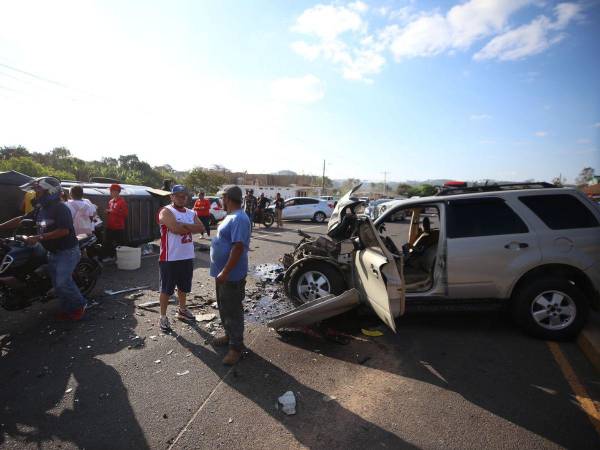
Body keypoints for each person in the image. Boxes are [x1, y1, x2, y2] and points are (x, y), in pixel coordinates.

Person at [0, 177, 87, 320]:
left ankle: (79, 305)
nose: (35, 194)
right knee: (55, 283)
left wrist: (38, 238)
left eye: (38, 190)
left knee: (62, 282)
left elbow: (64, 231)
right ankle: (67, 308)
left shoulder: (61, 208)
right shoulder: (40, 209)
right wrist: (1, 226)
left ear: (50, 191)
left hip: (67, 252)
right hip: (51, 251)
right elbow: (21, 219)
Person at [210, 185, 251, 366]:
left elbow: (238, 247)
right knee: (224, 307)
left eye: (223, 197)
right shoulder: (231, 216)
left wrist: (226, 271)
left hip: (231, 275)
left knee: (233, 311)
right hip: (223, 274)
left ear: (227, 198)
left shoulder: (240, 218)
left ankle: (236, 347)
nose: (221, 200)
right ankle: (229, 335)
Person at [158, 185, 205, 332]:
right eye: (178, 195)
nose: (181, 198)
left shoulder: (191, 212)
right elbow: (175, 229)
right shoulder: (166, 211)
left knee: (184, 287)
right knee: (166, 289)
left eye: (184, 196)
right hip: (169, 257)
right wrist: (189, 226)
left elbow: (201, 228)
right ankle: (163, 316)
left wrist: (183, 224)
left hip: (186, 256)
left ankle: (182, 310)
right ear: (171, 197)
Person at [104, 184, 128, 260]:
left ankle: (122, 258)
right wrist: (108, 212)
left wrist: (112, 211)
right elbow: (112, 211)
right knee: (108, 243)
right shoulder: (110, 201)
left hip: (118, 227)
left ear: (116, 192)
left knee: (120, 243)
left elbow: (125, 214)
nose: (110, 192)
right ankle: (111, 256)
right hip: (110, 226)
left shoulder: (122, 202)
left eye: (111, 191)